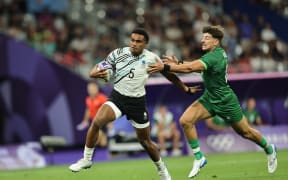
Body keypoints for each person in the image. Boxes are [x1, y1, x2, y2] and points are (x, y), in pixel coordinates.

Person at [69, 28, 201, 180]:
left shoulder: (151, 58)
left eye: (138, 41)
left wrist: (184, 87)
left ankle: (161, 168)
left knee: (145, 142)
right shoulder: (118, 54)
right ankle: (86, 159)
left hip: (137, 103)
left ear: (145, 44)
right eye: (132, 40)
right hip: (118, 98)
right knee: (97, 122)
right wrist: (93, 72)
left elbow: (169, 74)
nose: (134, 44)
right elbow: (99, 67)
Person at [148, 25, 277, 178]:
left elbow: (190, 69)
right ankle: (199, 157)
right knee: (185, 121)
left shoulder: (214, 57)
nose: (202, 40)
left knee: (245, 132)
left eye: (207, 38)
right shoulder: (212, 55)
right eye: (203, 37)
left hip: (226, 101)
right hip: (210, 98)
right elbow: (194, 66)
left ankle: (269, 149)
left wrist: (166, 67)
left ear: (216, 42)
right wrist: (179, 63)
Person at [76, 81, 109, 147]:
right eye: (89, 89)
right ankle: (89, 155)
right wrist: (85, 121)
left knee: (99, 141)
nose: (91, 91)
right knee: (99, 141)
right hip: (94, 123)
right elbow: (88, 110)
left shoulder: (102, 98)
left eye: (92, 89)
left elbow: (108, 110)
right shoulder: (88, 99)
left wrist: (110, 123)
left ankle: (90, 154)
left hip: (103, 123)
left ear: (97, 88)